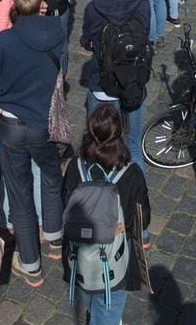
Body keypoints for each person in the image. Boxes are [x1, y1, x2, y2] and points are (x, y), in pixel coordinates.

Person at [0, 0, 64, 287]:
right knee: (50, 176)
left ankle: (31, 263)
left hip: (11, 124)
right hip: (43, 122)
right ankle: (54, 237)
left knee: (20, 192)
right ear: (41, 5)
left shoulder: (4, 43)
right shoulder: (57, 32)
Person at [62, 103, 150, 325]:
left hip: (79, 256)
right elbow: (142, 218)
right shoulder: (131, 174)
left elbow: (65, 203)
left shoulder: (75, 166)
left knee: (92, 300)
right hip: (114, 261)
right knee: (107, 310)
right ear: (120, 135)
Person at [80, 0, 153, 175]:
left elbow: (87, 41)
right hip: (132, 83)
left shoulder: (94, 7)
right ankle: (139, 199)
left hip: (103, 87)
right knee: (133, 147)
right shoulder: (141, 5)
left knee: (99, 146)